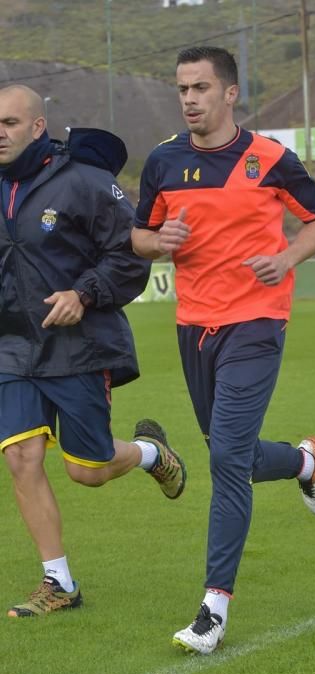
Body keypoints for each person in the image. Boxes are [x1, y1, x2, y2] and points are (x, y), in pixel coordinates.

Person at [132, 46, 315, 655]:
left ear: (229, 93)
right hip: (194, 326)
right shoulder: (164, 161)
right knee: (236, 457)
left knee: (225, 460)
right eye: (181, 89)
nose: (189, 98)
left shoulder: (271, 158)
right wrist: (154, 240)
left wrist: (285, 258)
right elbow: (141, 234)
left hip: (256, 322)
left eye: (199, 87)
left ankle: (212, 610)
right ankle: (305, 462)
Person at [0, 85, 187, 617]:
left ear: (38, 127)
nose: (0, 132)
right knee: (21, 456)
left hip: (78, 348)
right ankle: (58, 582)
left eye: (10, 122)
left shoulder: (85, 181)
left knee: (88, 468)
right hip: (12, 347)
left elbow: (131, 254)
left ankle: (151, 453)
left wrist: (83, 294)